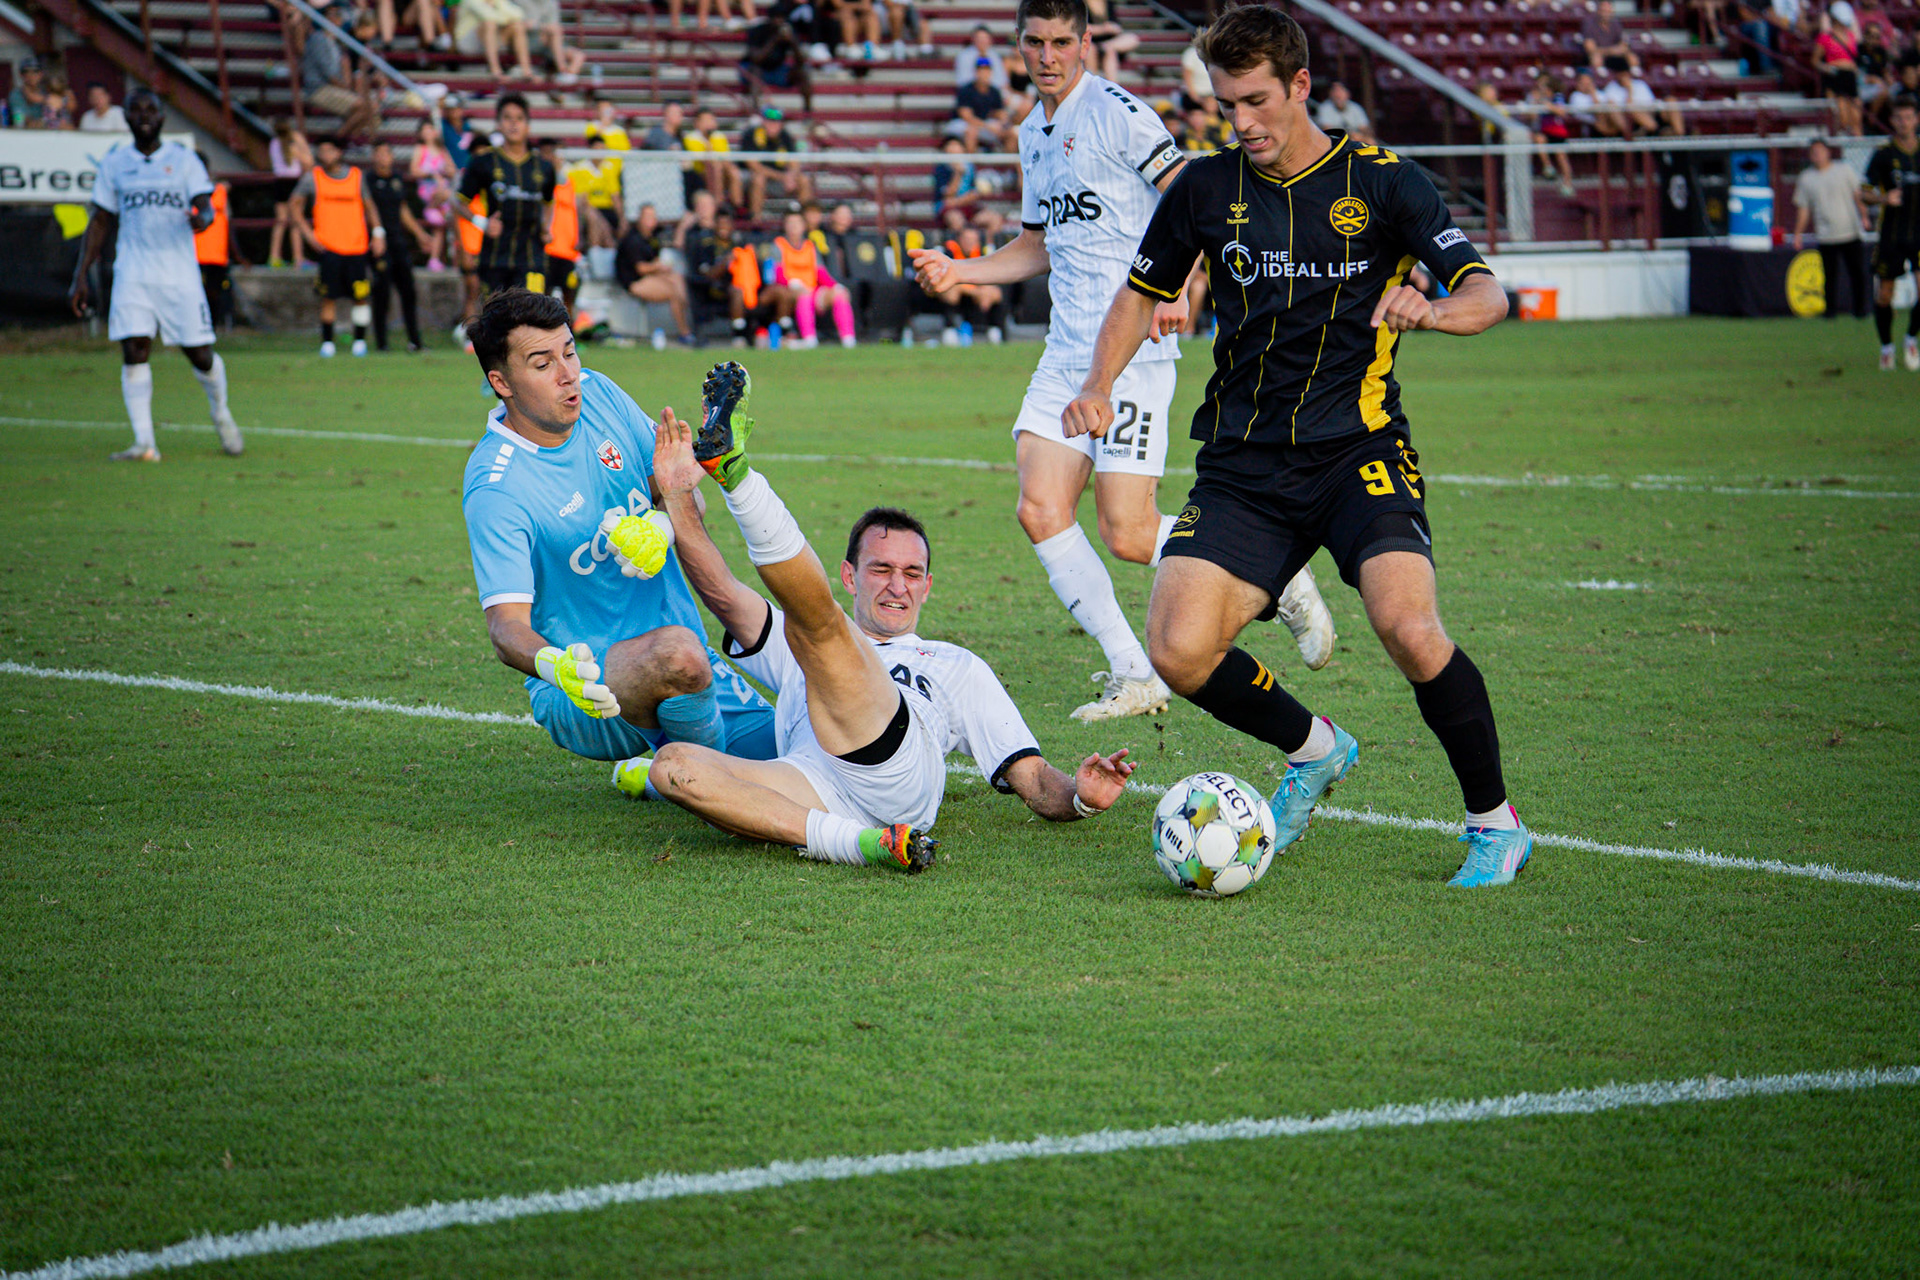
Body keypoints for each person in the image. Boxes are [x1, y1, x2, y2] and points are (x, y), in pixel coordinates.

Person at [1065, 5, 1530, 887]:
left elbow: (1488, 295)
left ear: (1300, 85)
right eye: (1226, 104)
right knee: (1178, 650)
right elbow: (1140, 294)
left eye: (1255, 101)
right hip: (1244, 465)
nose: (1241, 122)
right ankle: (1316, 750)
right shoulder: (1205, 188)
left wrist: (1432, 309)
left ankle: (1494, 824)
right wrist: (1097, 383)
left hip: (1359, 453)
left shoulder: (1384, 182)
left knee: (1408, 627)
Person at [913, 0, 1336, 724]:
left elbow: (1195, 200)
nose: (1047, 55)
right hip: (1064, 353)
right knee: (1040, 508)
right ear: (1020, 46)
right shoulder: (1032, 132)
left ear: (1084, 44)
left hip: (1132, 348)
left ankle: (1278, 572)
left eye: (1061, 41)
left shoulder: (1117, 113)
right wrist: (962, 270)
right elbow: (1037, 244)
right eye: (1034, 42)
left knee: (1129, 533)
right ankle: (1135, 674)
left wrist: (1181, 284)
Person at [614, 361, 1137, 871]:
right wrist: (677, 495)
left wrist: (1081, 799)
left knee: (819, 630)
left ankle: (737, 476)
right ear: (849, 576)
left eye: (912, 573)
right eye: (881, 569)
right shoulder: (810, 635)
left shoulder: (957, 666)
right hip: (809, 783)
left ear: (927, 586)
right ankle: (862, 845)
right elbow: (723, 594)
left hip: (898, 776)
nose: (897, 586)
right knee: (673, 767)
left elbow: (1034, 778)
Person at [459, 290, 777, 775]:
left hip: (690, 662)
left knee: (795, 757)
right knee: (680, 657)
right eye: (543, 364)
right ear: (501, 382)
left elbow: (683, 492)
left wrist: (662, 526)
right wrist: (557, 666)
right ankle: (707, 784)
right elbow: (506, 629)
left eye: (570, 352)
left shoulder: (600, 395)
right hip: (590, 690)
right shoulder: (497, 486)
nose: (568, 374)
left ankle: (655, 779)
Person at [67, 89, 244, 462]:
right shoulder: (115, 163)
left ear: (162, 117)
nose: (144, 116)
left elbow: (204, 204)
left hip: (178, 272)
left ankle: (221, 412)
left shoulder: (183, 160)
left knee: (199, 354)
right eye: (136, 110)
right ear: (127, 117)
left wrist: (202, 218)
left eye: (151, 110)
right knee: (134, 348)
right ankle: (144, 442)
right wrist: (80, 274)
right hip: (133, 269)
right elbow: (100, 220)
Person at [292, 134, 384, 356]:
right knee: (328, 296)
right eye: (322, 151)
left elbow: (370, 207)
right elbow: (294, 207)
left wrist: (378, 234)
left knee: (360, 296)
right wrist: (309, 235)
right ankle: (327, 343)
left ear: (339, 152)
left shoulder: (356, 177)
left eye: (329, 150)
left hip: (356, 247)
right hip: (329, 247)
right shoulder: (312, 178)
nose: (325, 155)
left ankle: (359, 342)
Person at [458, 93, 556, 299]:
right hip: (494, 258)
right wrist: (483, 223)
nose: (513, 124)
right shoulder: (483, 162)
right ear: (498, 124)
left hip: (532, 258)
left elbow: (549, 202)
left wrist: (546, 226)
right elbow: (459, 203)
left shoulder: (544, 167)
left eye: (519, 118)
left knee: (532, 313)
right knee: (495, 315)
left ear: (528, 125)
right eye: (507, 118)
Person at [1863, 95, 1920, 371]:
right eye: (1899, 118)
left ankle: (1911, 339)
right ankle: (1887, 347)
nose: (1904, 122)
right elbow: (1863, 192)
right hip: (1892, 235)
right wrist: (1884, 199)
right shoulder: (1884, 154)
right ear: (1892, 121)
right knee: (1885, 295)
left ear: (1916, 119)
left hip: (1919, 234)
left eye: (1908, 117)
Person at [1793, 138, 1870, 319]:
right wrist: (1797, 233)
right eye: (1814, 152)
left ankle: (1861, 310)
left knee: (1857, 273)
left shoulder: (1844, 170)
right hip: (1826, 234)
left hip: (1850, 231)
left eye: (1820, 151)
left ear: (1828, 152)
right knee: (1829, 275)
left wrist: (1864, 216)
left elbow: (1858, 195)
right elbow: (1804, 209)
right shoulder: (1806, 178)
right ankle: (1830, 311)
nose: (1817, 155)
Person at [367, 139, 429, 351]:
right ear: (373, 157)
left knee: (408, 292)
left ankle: (415, 342)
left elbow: (403, 209)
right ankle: (382, 344)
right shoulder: (367, 180)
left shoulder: (397, 179)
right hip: (378, 243)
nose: (383, 157)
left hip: (398, 242)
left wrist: (420, 234)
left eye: (386, 153)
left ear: (392, 157)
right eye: (378, 153)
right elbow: (366, 209)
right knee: (382, 293)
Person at [616, 204, 697, 344]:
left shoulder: (652, 238)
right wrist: (658, 267)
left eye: (652, 217)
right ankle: (685, 333)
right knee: (673, 292)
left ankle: (691, 311)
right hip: (634, 281)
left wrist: (662, 268)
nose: (650, 220)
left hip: (649, 277)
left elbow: (655, 259)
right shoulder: (633, 239)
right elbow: (641, 268)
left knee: (677, 279)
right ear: (640, 218)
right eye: (647, 217)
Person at [771, 209, 854, 347]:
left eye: (797, 223)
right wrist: (793, 284)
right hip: (791, 289)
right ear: (785, 226)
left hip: (813, 289)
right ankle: (809, 338)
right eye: (790, 223)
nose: (794, 226)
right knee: (805, 295)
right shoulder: (779, 245)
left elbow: (820, 272)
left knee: (840, 295)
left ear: (803, 226)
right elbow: (777, 274)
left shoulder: (809, 246)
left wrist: (835, 286)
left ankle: (848, 339)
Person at [302, 3, 381, 139]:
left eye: (339, 15)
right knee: (365, 106)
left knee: (371, 110)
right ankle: (337, 141)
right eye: (333, 15)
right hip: (319, 89)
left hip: (333, 88)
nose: (337, 18)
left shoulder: (336, 41)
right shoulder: (319, 38)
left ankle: (347, 141)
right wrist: (349, 90)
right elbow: (330, 76)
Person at [536, 137, 584, 320]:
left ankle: (569, 331)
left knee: (569, 293)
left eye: (554, 153)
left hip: (568, 249)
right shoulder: (538, 182)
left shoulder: (569, 182)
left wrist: (579, 236)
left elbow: (575, 212)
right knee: (543, 294)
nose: (551, 158)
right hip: (547, 247)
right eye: (546, 153)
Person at [193, 152, 240, 331]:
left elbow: (228, 222)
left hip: (216, 253)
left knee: (214, 292)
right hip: (193, 252)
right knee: (194, 292)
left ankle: (210, 327)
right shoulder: (184, 190)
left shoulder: (220, 190)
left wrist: (236, 254)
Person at [739, 106, 813, 216]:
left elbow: (794, 162)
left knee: (804, 180)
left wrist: (791, 175)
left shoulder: (785, 136)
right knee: (759, 179)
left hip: (779, 180)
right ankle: (756, 219)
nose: (773, 125)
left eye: (777, 122)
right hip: (753, 178)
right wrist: (782, 177)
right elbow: (753, 165)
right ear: (763, 122)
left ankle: (805, 219)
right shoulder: (751, 134)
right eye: (770, 121)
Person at [409, 119, 454, 270]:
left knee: (439, 226)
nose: (428, 132)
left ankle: (435, 259)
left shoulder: (442, 150)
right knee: (445, 197)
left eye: (430, 129)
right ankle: (431, 208)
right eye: (425, 130)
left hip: (442, 195)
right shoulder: (420, 149)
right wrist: (431, 174)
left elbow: (452, 170)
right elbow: (414, 170)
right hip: (427, 192)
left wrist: (445, 171)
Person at [268, 120, 312, 268]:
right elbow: (308, 162)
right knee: (296, 221)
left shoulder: (274, 142)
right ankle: (298, 258)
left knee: (281, 221)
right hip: (293, 183)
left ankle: (274, 256)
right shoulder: (293, 142)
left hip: (279, 182)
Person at [682, 107, 744, 209]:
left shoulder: (719, 136)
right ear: (697, 123)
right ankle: (718, 205)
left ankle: (738, 207)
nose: (708, 123)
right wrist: (709, 141)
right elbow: (704, 160)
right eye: (705, 120)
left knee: (734, 171)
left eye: (711, 120)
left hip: (719, 170)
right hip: (699, 173)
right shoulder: (690, 138)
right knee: (715, 167)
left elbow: (726, 160)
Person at [948, 56, 1011, 151]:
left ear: (990, 72)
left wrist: (1002, 123)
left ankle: (1004, 159)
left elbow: (1000, 113)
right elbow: (966, 116)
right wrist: (987, 126)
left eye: (986, 70)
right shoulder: (966, 90)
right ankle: (971, 160)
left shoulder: (994, 91)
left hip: (984, 124)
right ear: (976, 72)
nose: (984, 73)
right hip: (962, 124)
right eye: (981, 70)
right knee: (971, 131)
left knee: (1010, 133)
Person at [1313, 81, 1374, 146]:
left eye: (1340, 91)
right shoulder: (1325, 108)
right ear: (1330, 94)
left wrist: (1363, 136)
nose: (1338, 95)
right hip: (1335, 142)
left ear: (1347, 93)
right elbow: (1327, 129)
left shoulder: (1355, 108)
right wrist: (1350, 135)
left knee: (1370, 141)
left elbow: (1365, 128)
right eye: (1335, 91)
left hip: (1355, 139)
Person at [1579, 0, 1636, 70]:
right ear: (1598, 11)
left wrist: (1620, 49)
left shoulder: (1616, 23)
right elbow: (1590, 49)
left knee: (1632, 57)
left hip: (1614, 56)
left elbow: (1624, 45)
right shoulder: (1589, 24)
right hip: (1599, 55)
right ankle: (1599, 76)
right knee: (1596, 58)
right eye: (1604, 11)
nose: (1606, 14)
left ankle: (1633, 76)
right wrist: (1611, 50)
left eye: (1608, 11)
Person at [9, 56, 48, 128]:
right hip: (24, 132)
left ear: (41, 74)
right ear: (21, 75)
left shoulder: (46, 92)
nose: (31, 75)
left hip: (48, 132)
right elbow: (18, 119)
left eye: (35, 71)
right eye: (26, 72)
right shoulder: (15, 94)